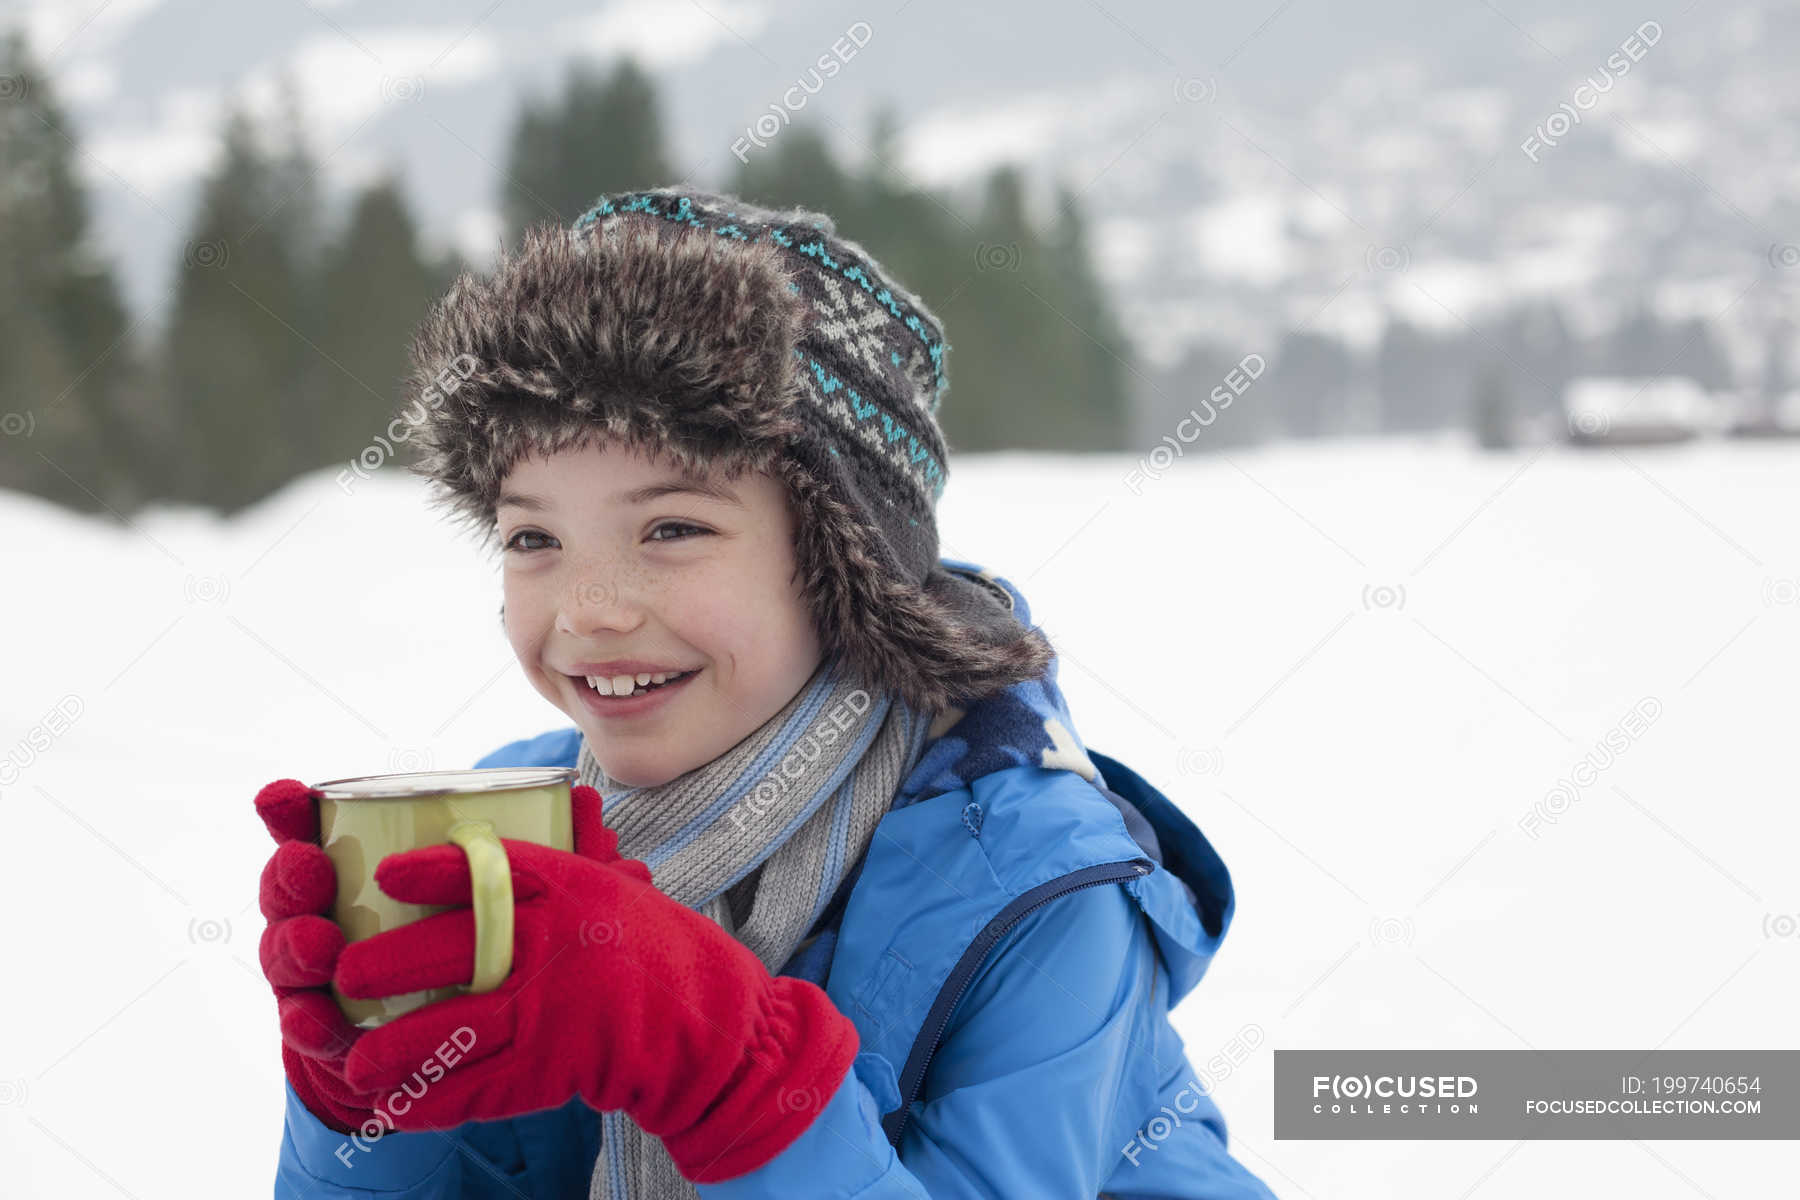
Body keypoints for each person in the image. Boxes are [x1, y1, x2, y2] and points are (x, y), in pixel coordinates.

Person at [254, 186, 1280, 1198]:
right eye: (535, 539)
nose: (589, 609)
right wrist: (366, 1101)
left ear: (843, 564)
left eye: (672, 529)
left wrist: (722, 1069)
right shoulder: (526, 827)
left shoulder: (1032, 882)